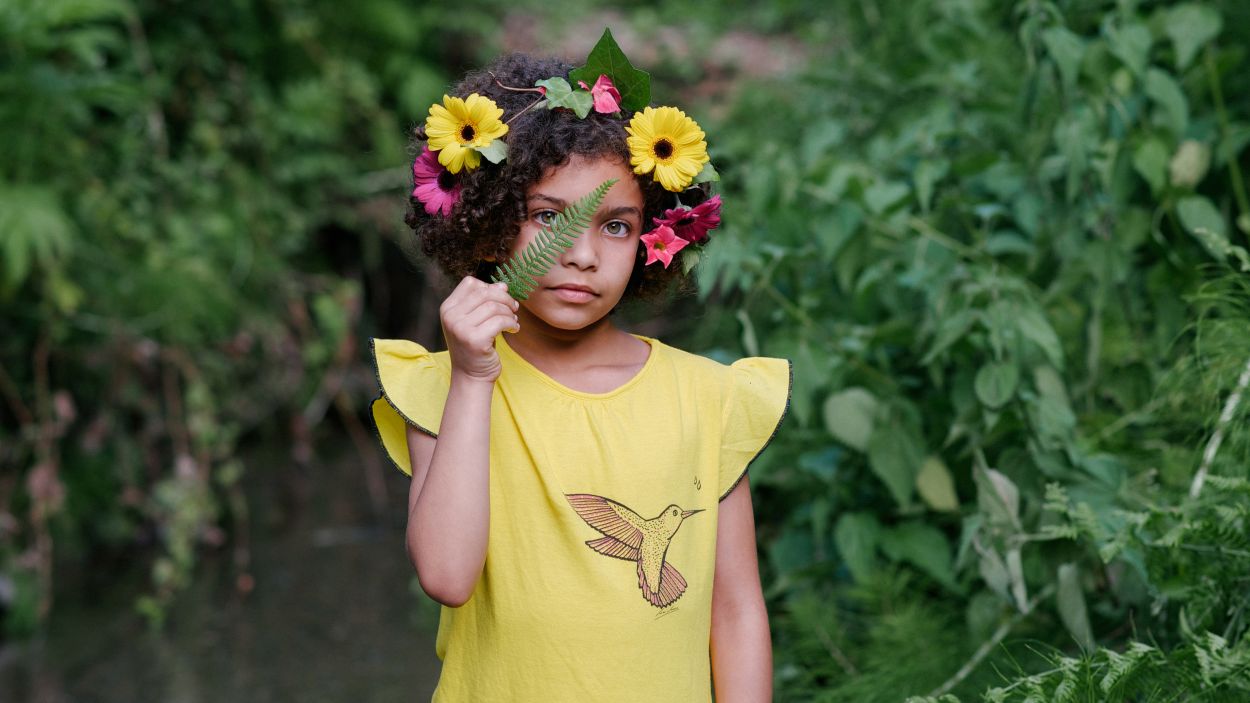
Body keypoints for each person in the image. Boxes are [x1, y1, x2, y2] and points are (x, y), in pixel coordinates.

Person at [368, 34, 791, 702]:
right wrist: (474, 377)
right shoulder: (442, 387)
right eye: (548, 218)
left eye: (617, 226)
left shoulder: (709, 398)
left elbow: (734, 613)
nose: (584, 256)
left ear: (655, 237)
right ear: (490, 220)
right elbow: (447, 575)